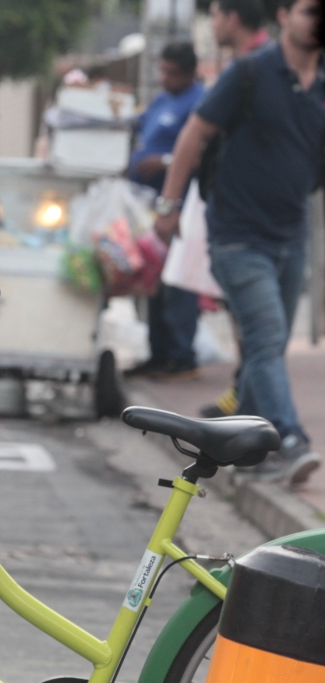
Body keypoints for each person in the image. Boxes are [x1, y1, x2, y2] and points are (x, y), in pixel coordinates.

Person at [155, 0, 324, 486]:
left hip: (291, 237)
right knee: (269, 337)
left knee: (261, 349)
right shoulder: (251, 72)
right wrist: (168, 206)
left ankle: (247, 449)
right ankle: (288, 438)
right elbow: (194, 134)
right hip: (237, 235)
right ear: (286, 15)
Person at [200, 0, 270, 418]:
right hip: (240, 211)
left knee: (259, 328)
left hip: (257, 219)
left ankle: (272, 425)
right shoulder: (250, 64)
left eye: (213, 15)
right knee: (250, 322)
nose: (210, 24)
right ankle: (244, 396)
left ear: (232, 18)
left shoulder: (261, 66)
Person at [125, 43, 205, 381]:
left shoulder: (200, 101)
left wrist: (165, 161)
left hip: (180, 208)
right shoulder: (161, 100)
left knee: (176, 284)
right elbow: (136, 124)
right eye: (163, 71)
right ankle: (158, 354)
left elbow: (202, 151)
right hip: (149, 207)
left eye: (172, 73)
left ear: (188, 72)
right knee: (152, 281)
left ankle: (181, 356)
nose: (165, 78)